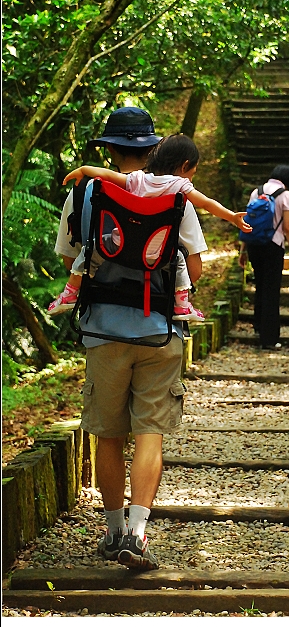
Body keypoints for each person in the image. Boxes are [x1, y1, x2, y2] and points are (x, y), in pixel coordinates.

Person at [53, 107, 208, 570]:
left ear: (109, 150)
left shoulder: (84, 192)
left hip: (103, 332)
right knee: (149, 434)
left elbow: (69, 262)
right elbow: (194, 269)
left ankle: (114, 530)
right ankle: (138, 537)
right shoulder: (172, 195)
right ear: (152, 148)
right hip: (159, 333)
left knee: (107, 434)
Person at [48, 133, 252, 322]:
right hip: (157, 251)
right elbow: (207, 203)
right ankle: (182, 305)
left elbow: (107, 175)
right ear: (185, 166)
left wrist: (83, 170)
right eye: (193, 172)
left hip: (118, 245)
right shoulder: (180, 188)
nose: (191, 178)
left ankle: (70, 293)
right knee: (178, 258)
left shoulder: (136, 180)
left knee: (90, 250)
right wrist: (232, 217)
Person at [238, 164, 289, 350]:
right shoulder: (285, 195)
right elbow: (288, 227)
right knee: (271, 291)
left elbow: (248, 222)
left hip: (255, 246)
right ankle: (269, 338)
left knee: (260, 286)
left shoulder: (256, 192)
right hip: (273, 246)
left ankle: (258, 327)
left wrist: (243, 250)